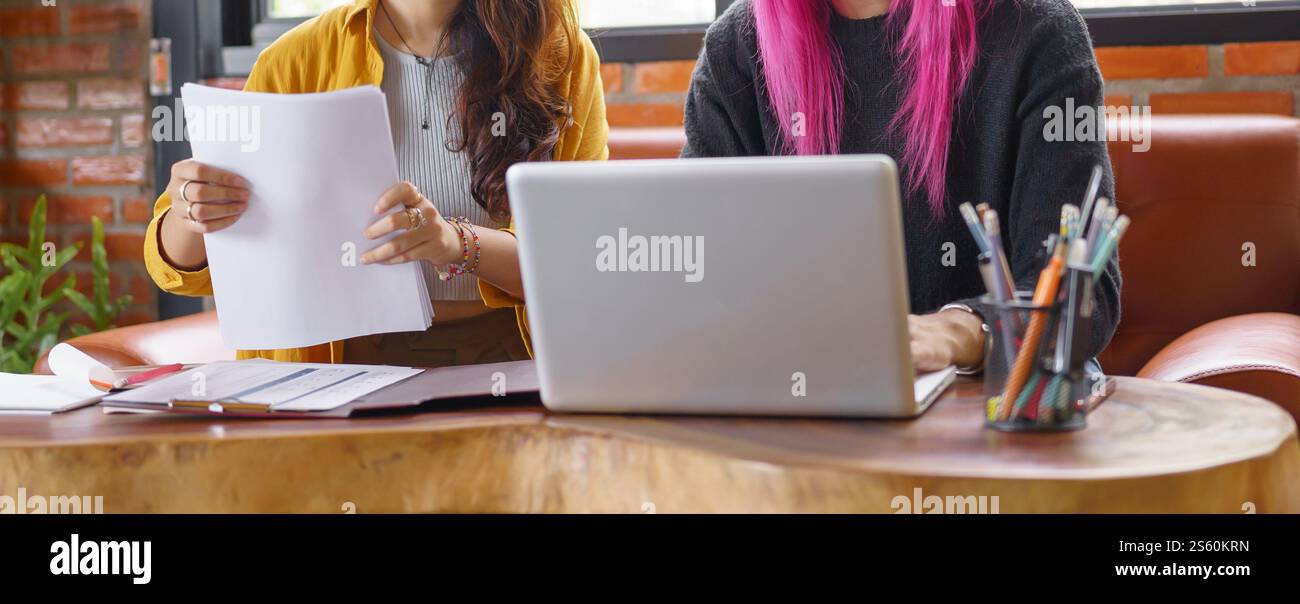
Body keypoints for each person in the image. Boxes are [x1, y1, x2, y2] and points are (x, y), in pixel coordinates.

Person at [144, 0, 608, 366]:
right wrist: (191, 209)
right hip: (338, 362)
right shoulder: (298, 58)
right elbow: (176, 267)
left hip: (513, 352)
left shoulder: (560, 56)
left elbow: (579, 264)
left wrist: (457, 243)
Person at [682, 0, 1122, 374]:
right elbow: (696, 276)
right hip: (807, 395)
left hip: (998, 402)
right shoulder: (736, 47)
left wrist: (959, 331)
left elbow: (1083, 296)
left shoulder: (1036, 28)